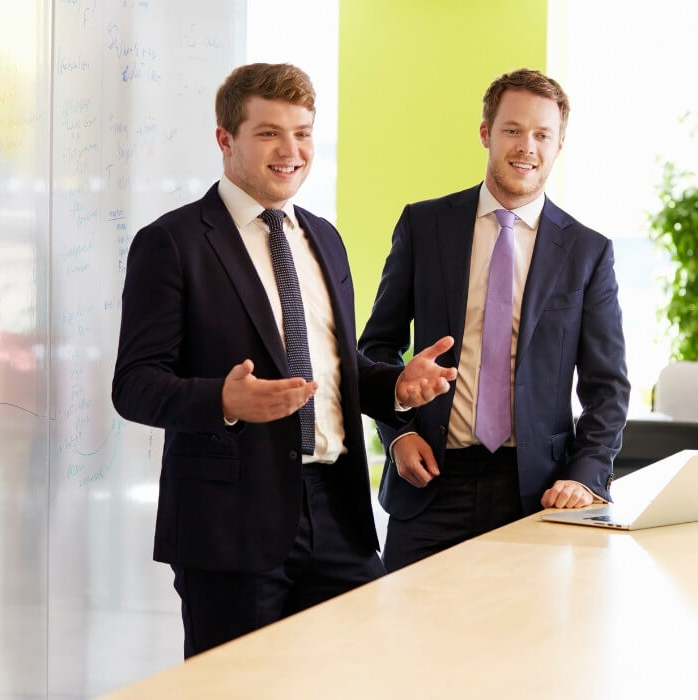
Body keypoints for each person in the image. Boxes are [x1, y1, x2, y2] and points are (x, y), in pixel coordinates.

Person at [111, 63, 456, 657]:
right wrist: (222, 399)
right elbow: (135, 384)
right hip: (229, 527)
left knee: (357, 676)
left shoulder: (324, 236)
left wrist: (397, 386)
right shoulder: (172, 242)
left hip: (339, 514)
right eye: (270, 133)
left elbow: (336, 369)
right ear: (226, 139)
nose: (291, 150)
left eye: (303, 132)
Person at [358, 68, 630, 571]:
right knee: (405, 643)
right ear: (486, 133)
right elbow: (376, 349)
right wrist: (396, 433)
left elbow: (607, 387)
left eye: (542, 134)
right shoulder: (425, 226)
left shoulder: (588, 252)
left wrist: (586, 475)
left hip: (536, 494)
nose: (526, 146)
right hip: (431, 483)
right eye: (512, 129)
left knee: (520, 645)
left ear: (560, 143)